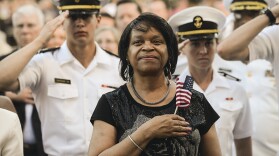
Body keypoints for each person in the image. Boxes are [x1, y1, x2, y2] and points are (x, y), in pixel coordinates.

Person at [0, 0, 124, 155]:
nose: (79, 23)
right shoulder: (44, 63)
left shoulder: (117, 66)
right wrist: (40, 40)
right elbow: (1, 80)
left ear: (98, 19)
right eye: (73, 16)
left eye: (86, 17)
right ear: (61, 20)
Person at [88, 12, 221, 156]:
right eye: (138, 42)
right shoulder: (111, 103)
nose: (147, 47)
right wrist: (148, 131)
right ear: (126, 53)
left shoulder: (195, 101)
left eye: (157, 42)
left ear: (170, 51)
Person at [168, 6, 252, 156]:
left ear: (217, 43)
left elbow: (243, 144)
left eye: (208, 43)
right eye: (195, 44)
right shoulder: (173, 90)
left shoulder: (235, 90)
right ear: (183, 48)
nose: (203, 51)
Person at [0, 4, 47, 156]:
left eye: (30, 25)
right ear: (13, 30)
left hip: (45, 147)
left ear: (42, 29)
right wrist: (12, 95)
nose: (25, 30)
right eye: (20, 25)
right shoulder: (3, 64)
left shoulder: (52, 61)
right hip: (9, 144)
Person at [217, 4, 279, 114]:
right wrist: (270, 15)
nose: (248, 23)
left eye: (253, 16)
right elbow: (224, 50)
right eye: (242, 18)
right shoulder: (275, 35)